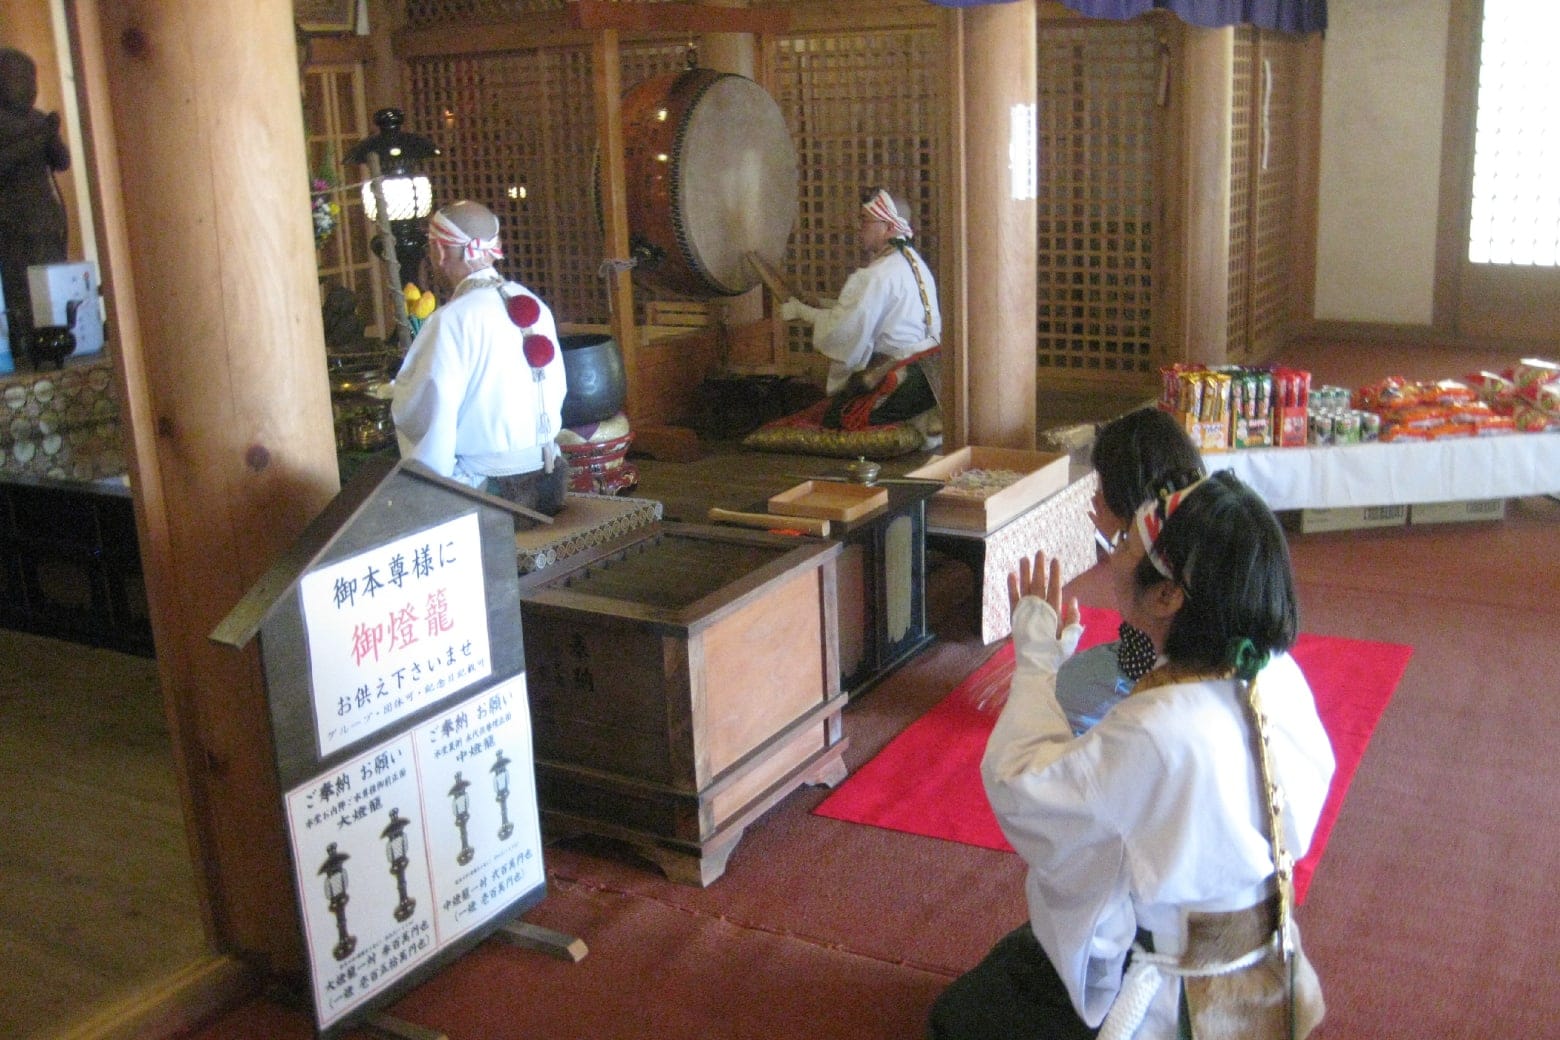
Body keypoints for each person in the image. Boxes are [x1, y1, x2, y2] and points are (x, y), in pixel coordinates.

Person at [930, 470, 1334, 1040]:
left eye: (1123, 542)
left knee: (960, 1019)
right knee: (1017, 963)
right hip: (1269, 970)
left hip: (1177, 996)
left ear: (1168, 594)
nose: (1112, 549)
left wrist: (1037, 660)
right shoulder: (1275, 672)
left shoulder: (1156, 728)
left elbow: (1023, 785)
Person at [391, 199, 569, 518]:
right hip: (550, 480)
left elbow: (428, 414)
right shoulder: (535, 305)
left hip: (494, 494)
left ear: (441, 251)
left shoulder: (452, 320)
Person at [1056, 407, 1205, 734]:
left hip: (1160, 665)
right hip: (1188, 658)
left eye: (1102, 486)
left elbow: (1144, 638)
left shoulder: (1152, 554)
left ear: (1126, 495)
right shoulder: (1186, 522)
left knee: (1055, 696)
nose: (1096, 496)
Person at [779, 188, 941, 440]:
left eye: (865, 220)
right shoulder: (912, 261)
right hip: (930, 373)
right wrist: (821, 303)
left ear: (887, 227)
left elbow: (842, 329)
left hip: (902, 378)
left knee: (836, 417)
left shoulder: (875, 275)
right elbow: (863, 311)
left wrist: (803, 312)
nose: (859, 227)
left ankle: (913, 423)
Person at [0, 47, 70, 358]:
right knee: (20, 286)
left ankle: (55, 341)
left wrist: (52, 136)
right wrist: (39, 138)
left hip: (45, 214)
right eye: (19, 79)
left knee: (51, 284)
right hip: (12, 218)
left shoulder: (37, 119)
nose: (29, 87)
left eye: (32, 80)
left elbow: (62, 161)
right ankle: (25, 344)